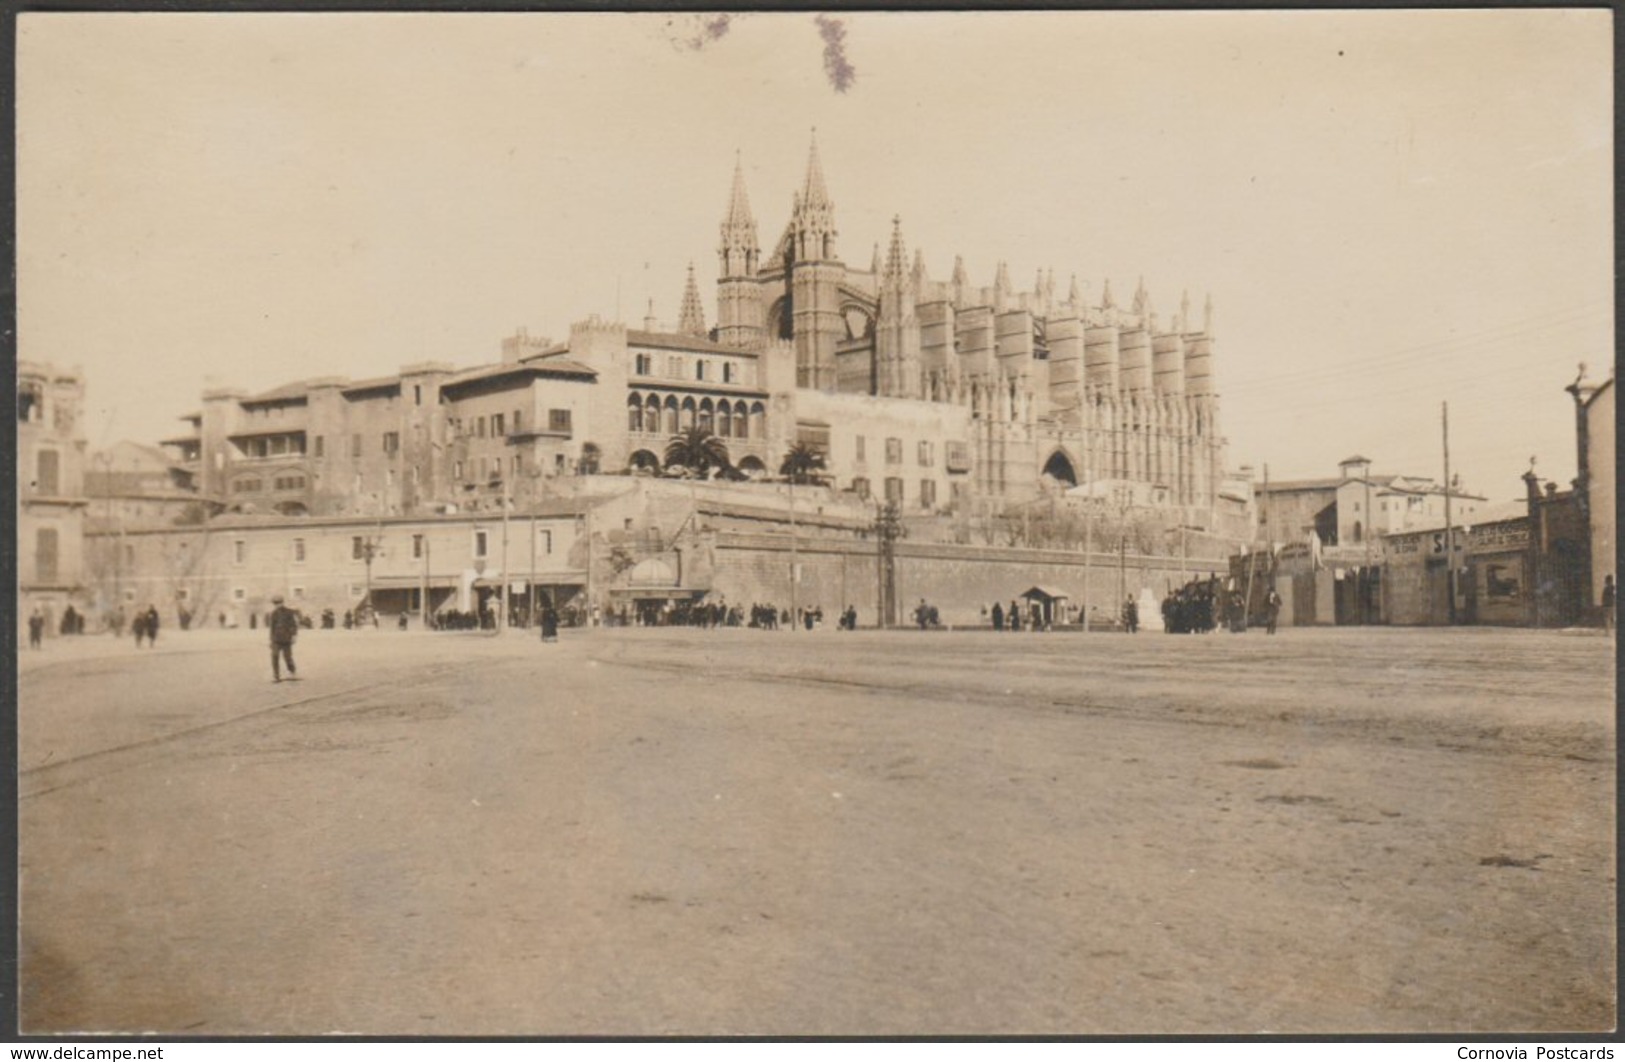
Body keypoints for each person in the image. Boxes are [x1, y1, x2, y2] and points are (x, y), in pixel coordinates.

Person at [269, 594, 299, 682]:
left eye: (278, 603)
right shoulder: (273, 613)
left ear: (282, 603)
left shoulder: (289, 612)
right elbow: (272, 628)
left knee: (288, 657)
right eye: (275, 603)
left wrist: (294, 636)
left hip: (286, 638)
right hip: (276, 639)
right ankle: (276, 675)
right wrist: (271, 640)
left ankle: (292, 671)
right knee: (274, 656)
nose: (277, 605)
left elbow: (293, 625)